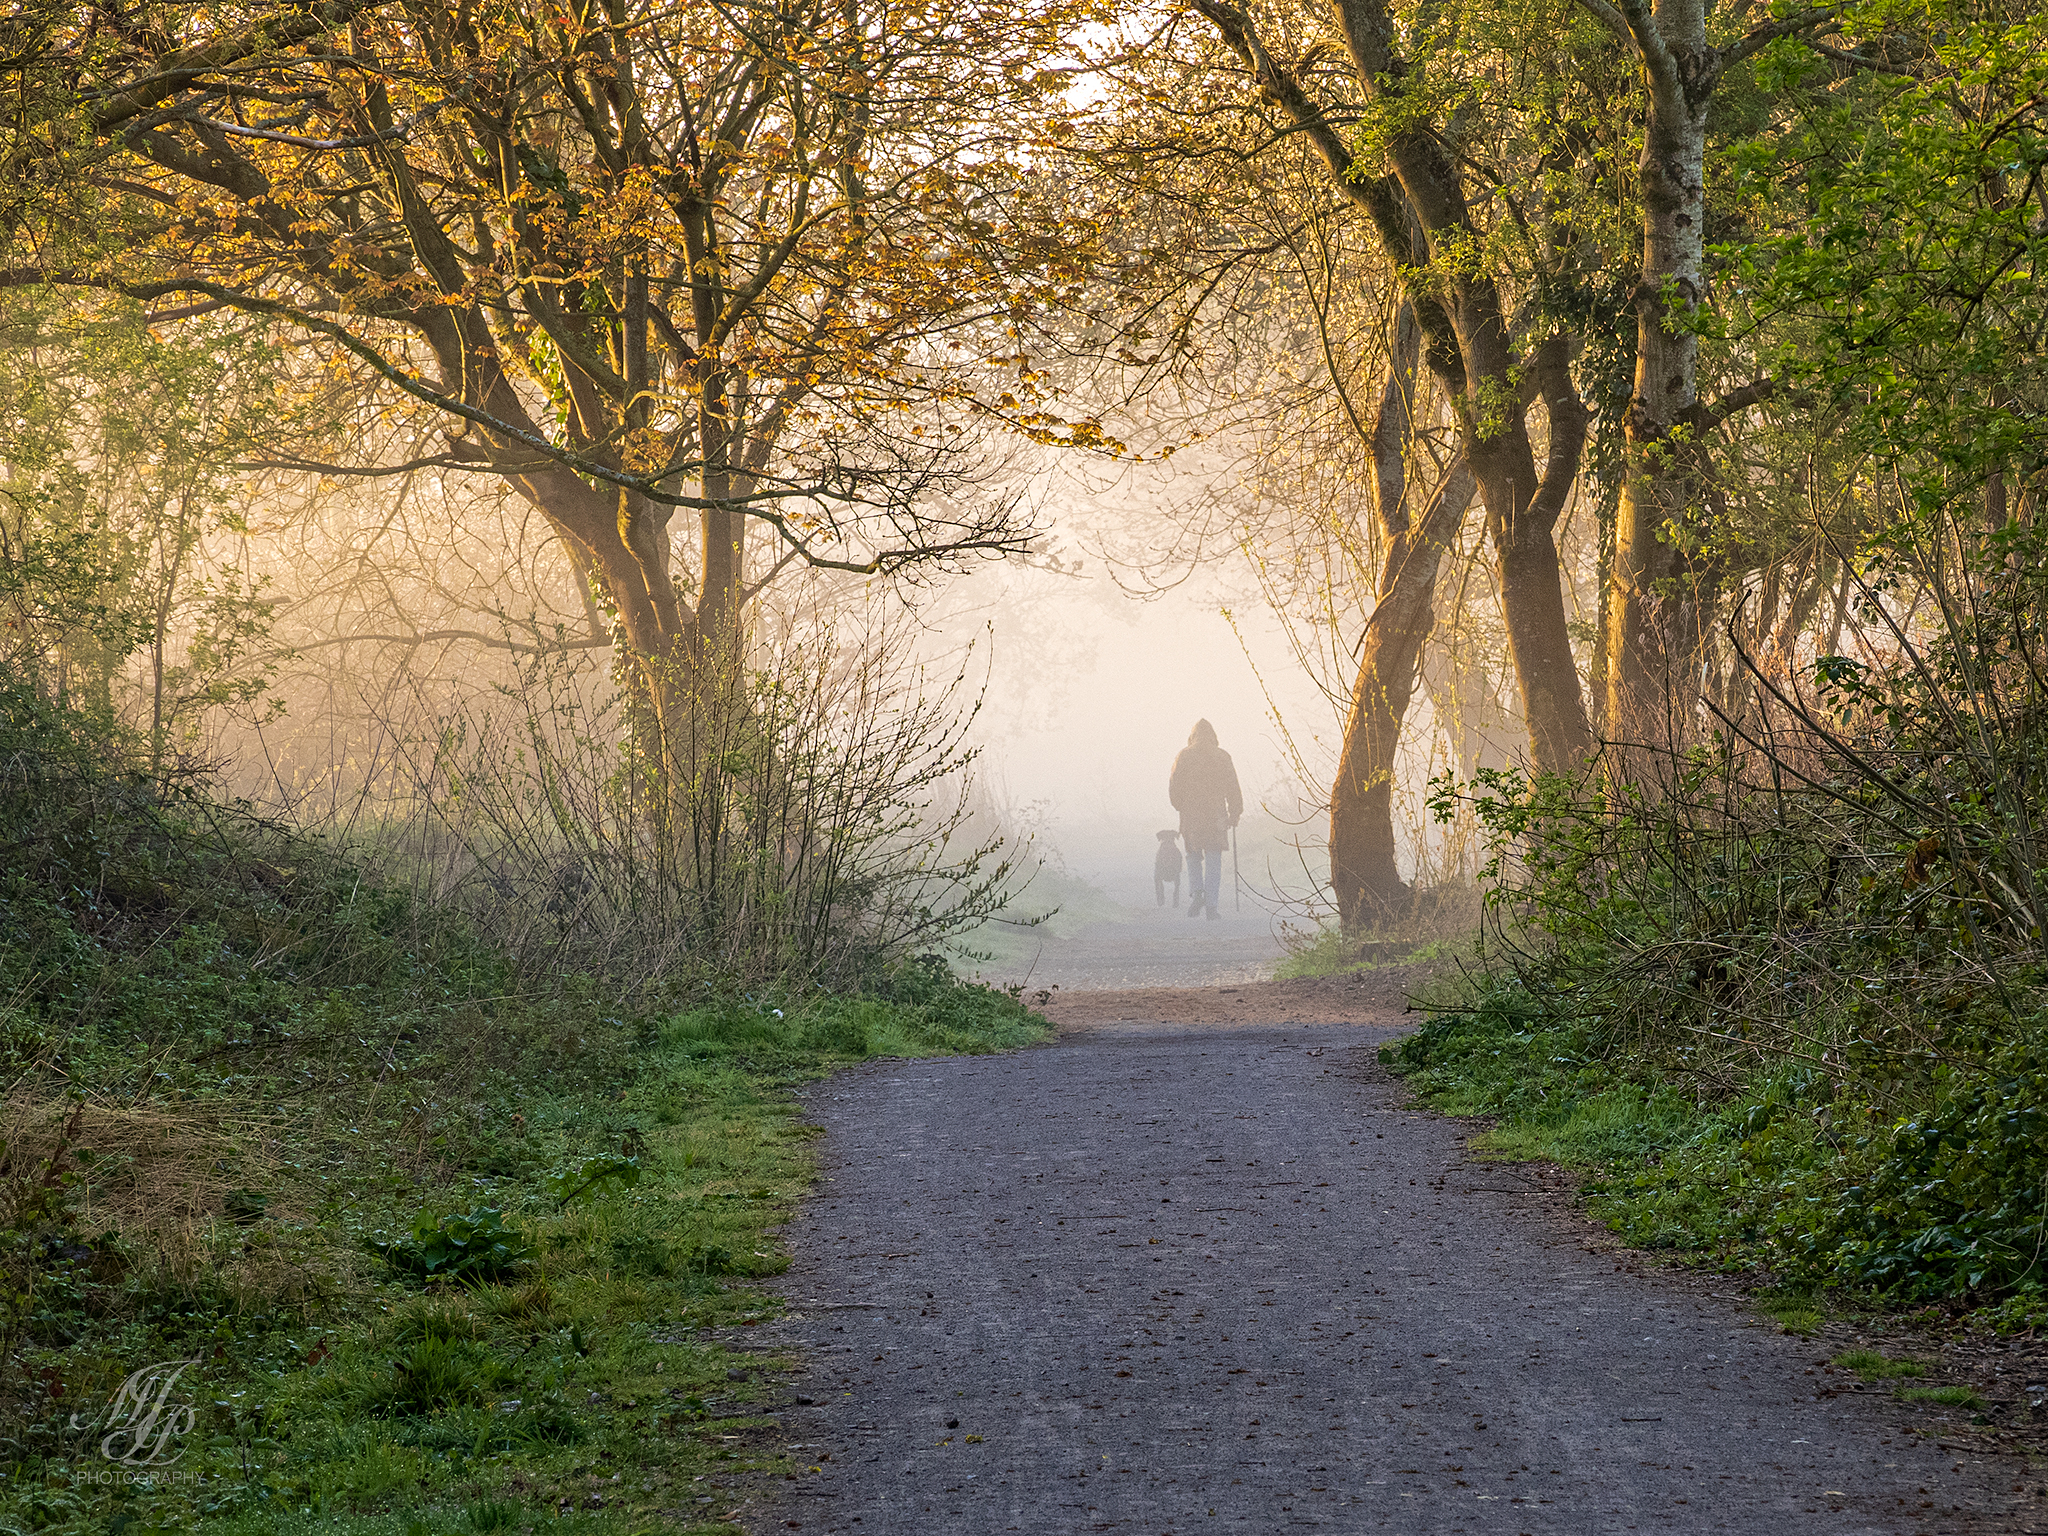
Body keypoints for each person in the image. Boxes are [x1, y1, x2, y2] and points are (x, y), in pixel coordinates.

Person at [1168, 718, 1243, 920]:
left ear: (1192, 736)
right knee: (1213, 858)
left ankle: (1197, 893)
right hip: (1215, 816)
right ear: (1213, 736)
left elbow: (1174, 787)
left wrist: (1180, 806)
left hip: (1191, 816)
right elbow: (1233, 787)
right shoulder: (1222, 757)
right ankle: (1212, 905)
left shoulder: (1183, 756)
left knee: (1192, 855)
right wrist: (1235, 813)